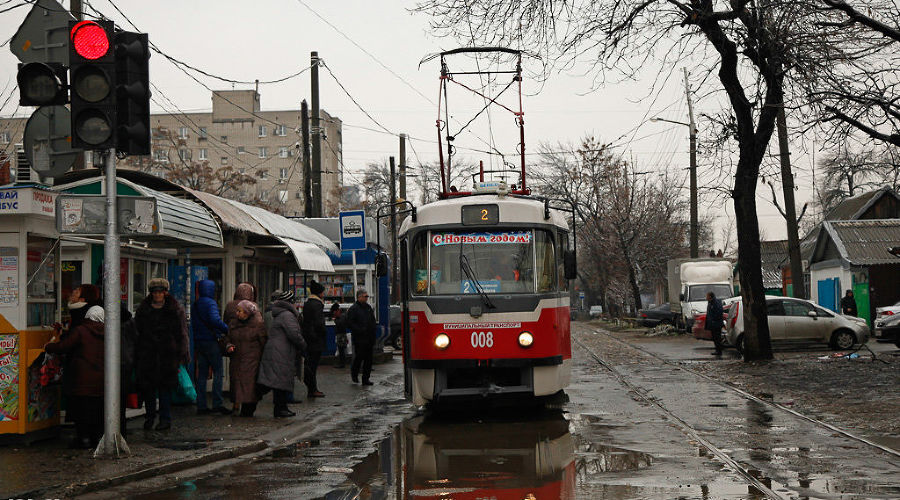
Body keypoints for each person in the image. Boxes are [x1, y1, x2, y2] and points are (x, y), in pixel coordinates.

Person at [45, 305, 106, 449]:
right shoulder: (109, 331)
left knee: (81, 410)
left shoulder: (81, 330)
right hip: (101, 378)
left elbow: (63, 346)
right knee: (96, 410)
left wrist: (48, 347)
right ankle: (95, 438)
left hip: (82, 378)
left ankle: (83, 439)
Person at [135, 278, 189, 431]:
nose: (158, 295)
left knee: (165, 390)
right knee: (148, 390)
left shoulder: (174, 309)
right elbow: (137, 331)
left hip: (168, 355)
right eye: (155, 292)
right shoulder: (143, 309)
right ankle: (150, 417)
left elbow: (182, 333)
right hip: (147, 355)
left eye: (160, 292)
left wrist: (182, 354)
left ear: (165, 293)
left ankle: (165, 419)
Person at [258, 290, 306, 417]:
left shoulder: (281, 314)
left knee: (276, 381)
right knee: (277, 382)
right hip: (281, 352)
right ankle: (279, 408)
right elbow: (294, 334)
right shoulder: (287, 315)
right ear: (290, 303)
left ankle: (281, 407)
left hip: (278, 351)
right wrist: (303, 345)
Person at [191, 279, 231, 415]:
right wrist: (226, 328)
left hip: (199, 342)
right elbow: (214, 320)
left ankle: (201, 405)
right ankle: (217, 403)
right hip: (211, 341)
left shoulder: (195, 304)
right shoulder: (211, 303)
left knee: (202, 374)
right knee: (218, 372)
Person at [226, 300, 266, 417]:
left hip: (252, 361)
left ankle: (248, 409)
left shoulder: (258, 324)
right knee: (238, 386)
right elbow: (227, 338)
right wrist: (228, 345)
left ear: (247, 312)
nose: (237, 313)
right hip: (237, 360)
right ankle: (241, 407)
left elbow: (264, 342)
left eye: (240, 311)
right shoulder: (233, 324)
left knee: (250, 387)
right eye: (237, 311)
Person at [223, 282, 257, 413]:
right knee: (248, 376)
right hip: (249, 345)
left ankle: (235, 402)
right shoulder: (252, 306)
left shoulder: (230, 305)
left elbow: (225, 323)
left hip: (234, 343)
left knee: (235, 375)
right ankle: (246, 401)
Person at [301, 280, 327, 398]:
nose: (324, 294)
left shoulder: (308, 304)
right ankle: (313, 389)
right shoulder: (317, 305)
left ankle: (312, 388)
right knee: (313, 366)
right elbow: (319, 323)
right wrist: (322, 334)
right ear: (319, 293)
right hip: (315, 340)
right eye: (323, 292)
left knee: (310, 365)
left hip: (308, 338)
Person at [346, 288, 377, 386]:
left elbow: (372, 321)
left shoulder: (368, 308)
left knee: (369, 360)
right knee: (359, 358)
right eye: (365, 296)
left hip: (369, 338)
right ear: (359, 297)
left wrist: (373, 331)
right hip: (359, 339)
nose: (367, 298)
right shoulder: (353, 309)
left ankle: (366, 379)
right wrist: (359, 330)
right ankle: (354, 374)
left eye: (367, 296)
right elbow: (350, 323)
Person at [705, 291, 725, 356]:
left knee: (717, 337)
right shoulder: (710, 303)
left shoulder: (716, 303)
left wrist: (714, 320)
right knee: (714, 337)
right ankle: (717, 349)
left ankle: (719, 350)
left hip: (716, 324)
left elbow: (719, 312)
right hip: (713, 324)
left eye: (707, 296)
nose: (706, 297)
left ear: (710, 296)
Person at [332, 302, 348, 368]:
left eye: (335, 312)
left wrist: (335, 319)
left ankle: (342, 364)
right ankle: (341, 363)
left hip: (341, 335)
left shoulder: (341, 317)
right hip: (341, 335)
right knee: (341, 350)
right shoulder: (342, 316)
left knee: (341, 350)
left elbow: (340, 324)